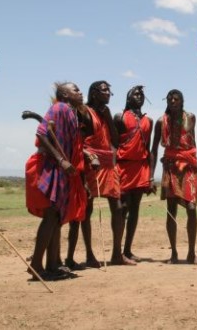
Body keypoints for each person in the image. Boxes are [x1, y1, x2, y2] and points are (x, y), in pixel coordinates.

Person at [66, 81, 136, 267]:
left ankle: (116, 254)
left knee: (118, 207)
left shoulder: (105, 113)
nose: (109, 94)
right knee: (87, 209)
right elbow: (77, 141)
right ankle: (89, 255)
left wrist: (108, 118)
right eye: (105, 90)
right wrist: (86, 158)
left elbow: (114, 140)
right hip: (91, 163)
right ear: (94, 93)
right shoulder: (83, 112)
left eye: (109, 91)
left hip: (108, 163)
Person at [25, 82, 86, 281]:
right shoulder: (59, 107)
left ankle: (52, 265)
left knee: (57, 217)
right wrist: (61, 160)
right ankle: (36, 266)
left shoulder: (71, 112)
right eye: (75, 89)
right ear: (64, 94)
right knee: (51, 215)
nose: (80, 92)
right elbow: (42, 134)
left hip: (63, 169)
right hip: (51, 166)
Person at [150, 89, 197, 265]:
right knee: (171, 210)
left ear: (182, 101)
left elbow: (191, 141)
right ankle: (173, 253)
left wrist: (192, 159)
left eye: (176, 99)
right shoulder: (160, 122)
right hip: (171, 166)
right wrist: (151, 177)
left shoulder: (191, 117)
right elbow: (154, 149)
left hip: (188, 166)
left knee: (192, 208)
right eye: (170, 99)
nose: (173, 101)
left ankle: (191, 253)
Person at [114, 86, 155, 262]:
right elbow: (113, 145)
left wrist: (151, 176)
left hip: (141, 168)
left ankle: (128, 250)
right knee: (122, 208)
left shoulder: (149, 121)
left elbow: (149, 149)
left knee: (135, 210)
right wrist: (112, 169)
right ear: (128, 97)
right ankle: (117, 252)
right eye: (135, 94)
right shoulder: (119, 117)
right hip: (122, 167)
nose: (139, 96)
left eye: (141, 94)